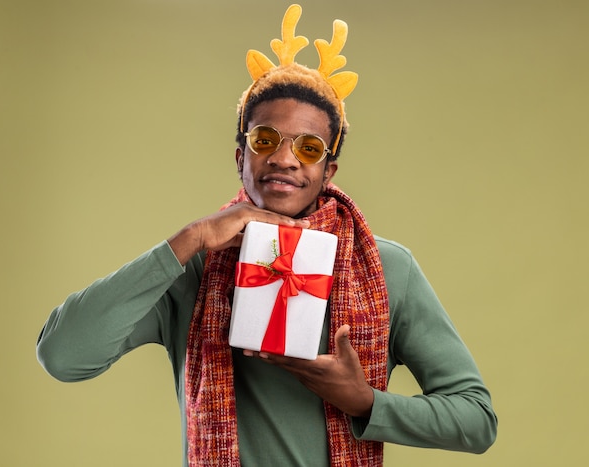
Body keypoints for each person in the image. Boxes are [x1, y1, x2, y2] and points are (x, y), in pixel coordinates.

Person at [36, 4, 497, 466]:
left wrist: (364, 402)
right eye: (265, 140)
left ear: (328, 170)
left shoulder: (387, 268)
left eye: (309, 148)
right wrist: (192, 239)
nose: (284, 158)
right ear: (241, 158)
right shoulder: (194, 266)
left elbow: (475, 420)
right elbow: (63, 355)